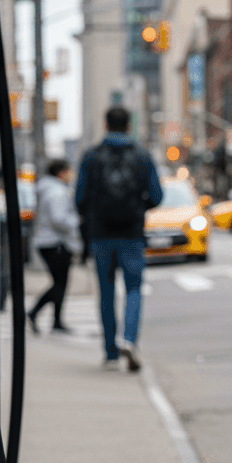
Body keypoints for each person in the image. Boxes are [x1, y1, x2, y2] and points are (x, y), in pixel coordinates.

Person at [75, 106, 162, 372]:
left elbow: (79, 198)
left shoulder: (91, 156)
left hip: (101, 235)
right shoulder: (142, 156)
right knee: (134, 289)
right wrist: (138, 207)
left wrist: (92, 216)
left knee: (107, 292)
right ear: (128, 125)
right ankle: (129, 340)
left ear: (105, 124)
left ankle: (110, 353)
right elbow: (157, 196)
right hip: (132, 234)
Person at [28, 159, 81, 334]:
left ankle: (56, 320)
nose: (70, 175)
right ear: (61, 172)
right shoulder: (57, 192)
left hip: (48, 242)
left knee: (60, 283)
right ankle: (36, 312)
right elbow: (59, 218)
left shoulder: (47, 189)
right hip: (55, 242)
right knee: (60, 283)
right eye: (68, 171)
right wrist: (76, 221)